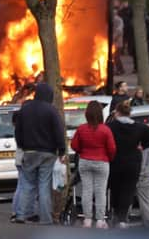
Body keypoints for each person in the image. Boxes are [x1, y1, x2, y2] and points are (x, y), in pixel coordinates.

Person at [14, 83, 65, 225]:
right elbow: (58, 132)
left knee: (27, 184)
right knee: (44, 185)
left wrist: (22, 146)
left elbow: (18, 131)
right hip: (48, 153)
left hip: (29, 152)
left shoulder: (25, 109)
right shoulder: (52, 111)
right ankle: (46, 218)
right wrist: (61, 150)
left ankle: (21, 215)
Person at [107, 100, 149, 229]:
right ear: (129, 113)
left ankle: (117, 215)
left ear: (117, 112)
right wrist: (142, 146)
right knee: (128, 190)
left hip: (115, 163)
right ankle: (123, 219)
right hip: (133, 163)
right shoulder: (138, 127)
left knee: (115, 189)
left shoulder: (111, 127)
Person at [70, 101, 116, 229]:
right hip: (102, 162)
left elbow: (74, 145)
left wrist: (81, 151)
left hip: (85, 161)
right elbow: (112, 148)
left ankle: (87, 219)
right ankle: (100, 220)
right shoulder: (105, 130)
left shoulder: (81, 129)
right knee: (101, 192)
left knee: (87, 191)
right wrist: (109, 159)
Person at [136, 142, 149, 228]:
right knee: (146, 202)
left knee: (145, 203)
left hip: (144, 177)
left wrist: (137, 177)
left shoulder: (144, 147)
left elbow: (142, 164)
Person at [113, 9, 125, 75]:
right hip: (115, 43)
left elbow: (119, 31)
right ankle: (120, 69)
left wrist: (112, 38)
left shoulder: (118, 20)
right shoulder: (114, 20)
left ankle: (121, 70)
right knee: (115, 57)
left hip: (118, 43)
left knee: (116, 57)